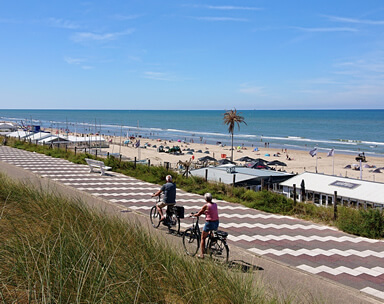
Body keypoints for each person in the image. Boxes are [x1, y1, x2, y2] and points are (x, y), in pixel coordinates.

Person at [191, 193, 219, 259]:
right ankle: (212, 242)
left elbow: (199, 214)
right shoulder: (215, 204)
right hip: (216, 222)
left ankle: (201, 255)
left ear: (205, 199)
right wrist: (206, 212)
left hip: (209, 223)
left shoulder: (206, 206)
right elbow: (212, 211)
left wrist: (193, 215)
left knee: (203, 237)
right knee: (210, 233)